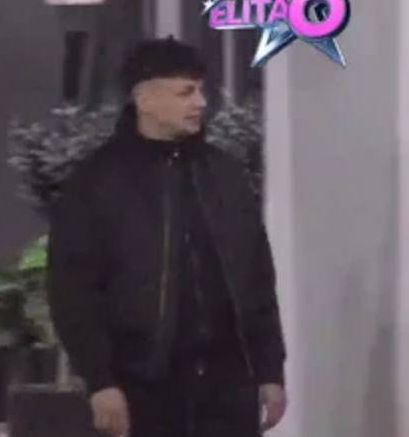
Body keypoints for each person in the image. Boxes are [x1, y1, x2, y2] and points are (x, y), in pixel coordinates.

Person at [46, 37, 286, 437]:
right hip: (142, 387)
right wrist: (100, 380)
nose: (200, 103)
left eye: (201, 90)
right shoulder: (98, 182)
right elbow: (72, 289)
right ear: (144, 99)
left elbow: (257, 278)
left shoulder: (224, 174)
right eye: (185, 92)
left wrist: (270, 370)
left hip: (228, 387)